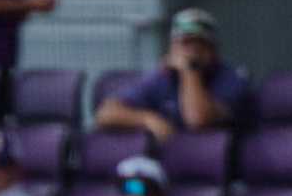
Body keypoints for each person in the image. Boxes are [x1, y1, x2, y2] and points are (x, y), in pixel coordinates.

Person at [95, 7, 257, 142]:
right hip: (172, 166)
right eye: (184, 43)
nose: (191, 52)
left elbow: (197, 120)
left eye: (199, 44)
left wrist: (190, 70)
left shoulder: (232, 80)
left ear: (212, 50)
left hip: (218, 167)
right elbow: (105, 114)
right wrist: (147, 119)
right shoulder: (162, 78)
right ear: (172, 48)